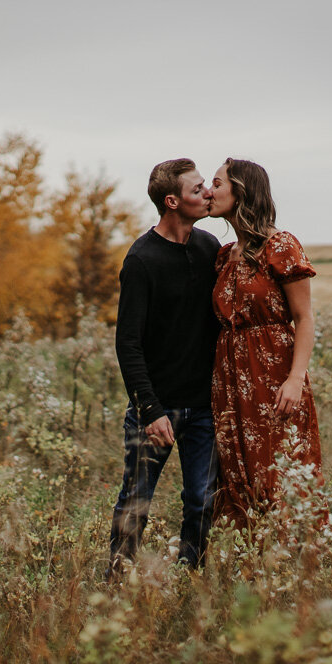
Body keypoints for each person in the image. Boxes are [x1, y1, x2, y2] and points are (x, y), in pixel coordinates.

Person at [108, 158, 221, 577]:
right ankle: (118, 581)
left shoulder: (210, 248)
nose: (207, 192)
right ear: (172, 201)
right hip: (155, 409)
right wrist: (151, 410)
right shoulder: (141, 260)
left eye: (207, 185)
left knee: (202, 502)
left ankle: (189, 582)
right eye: (197, 189)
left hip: (205, 409)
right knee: (135, 500)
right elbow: (128, 344)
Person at [208, 157, 323, 526]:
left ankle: (296, 568)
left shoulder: (282, 245)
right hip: (230, 381)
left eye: (217, 183)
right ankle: (252, 571)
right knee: (239, 475)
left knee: (282, 472)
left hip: (274, 374)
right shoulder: (225, 255)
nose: (210, 191)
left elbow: (304, 319)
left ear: (240, 192)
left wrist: (295, 378)